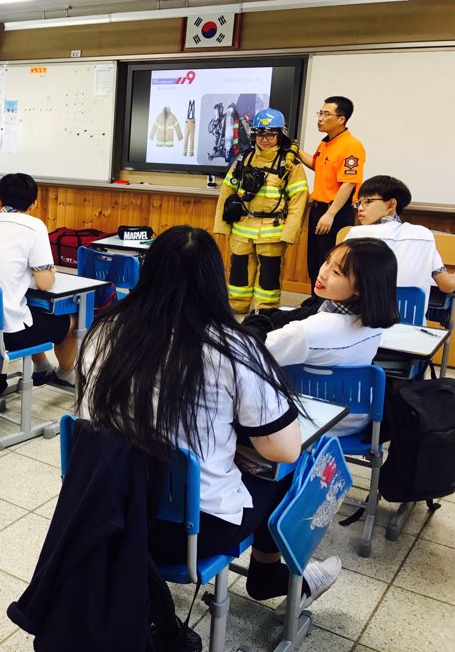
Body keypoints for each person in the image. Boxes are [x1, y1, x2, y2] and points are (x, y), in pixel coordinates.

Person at [79, 225, 341, 616]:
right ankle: (271, 576)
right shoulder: (231, 347)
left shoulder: (104, 330)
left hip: (102, 514)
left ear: (147, 273)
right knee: (291, 471)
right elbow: (285, 449)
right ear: (215, 282)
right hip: (185, 535)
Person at [244, 238, 399, 436]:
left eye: (336, 272)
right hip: (355, 420)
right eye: (327, 261)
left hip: (307, 423)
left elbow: (247, 356)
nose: (323, 273)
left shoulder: (307, 331)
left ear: (360, 287)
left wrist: (253, 323)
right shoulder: (374, 325)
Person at [0, 173, 77, 389]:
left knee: (28, 313)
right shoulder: (34, 226)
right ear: (34, 204)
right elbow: (44, 283)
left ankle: (42, 366)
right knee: (71, 319)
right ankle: (64, 374)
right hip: (6, 337)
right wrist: (50, 271)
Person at [213, 109, 308, 313]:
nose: (264, 140)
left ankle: (265, 311)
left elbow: (299, 201)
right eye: (259, 134)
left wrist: (290, 233)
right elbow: (226, 192)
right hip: (242, 229)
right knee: (239, 272)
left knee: (269, 276)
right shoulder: (243, 159)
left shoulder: (290, 165)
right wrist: (222, 225)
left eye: (270, 134)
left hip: (272, 232)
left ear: (280, 134)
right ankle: (237, 307)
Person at [344, 176, 455, 310]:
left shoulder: (356, 235)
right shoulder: (423, 235)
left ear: (391, 204)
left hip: (362, 319)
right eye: (358, 203)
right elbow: (447, 285)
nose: (360, 208)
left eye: (368, 201)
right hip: (411, 321)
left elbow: (338, 280)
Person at [298, 96, 366, 286]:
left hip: (335, 212)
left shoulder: (351, 146)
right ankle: (315, 299)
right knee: (314, 261)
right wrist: (296, 150)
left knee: (330, 261)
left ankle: (326, 301)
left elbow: (349, 183)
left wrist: (330, 214)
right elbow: (317, 165)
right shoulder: (326, 143)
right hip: (318, 209)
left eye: (326, 114)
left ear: (341, 119)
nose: (320, 118)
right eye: (320, 113)